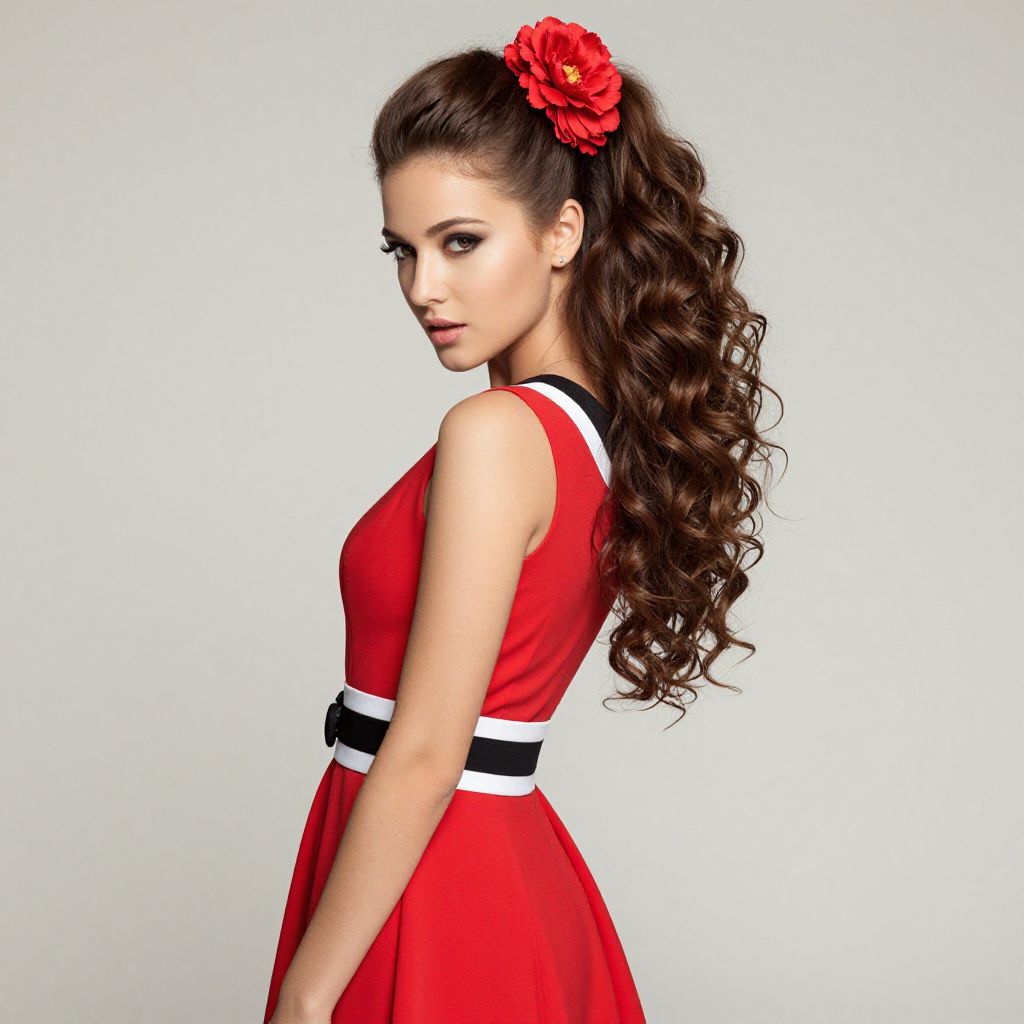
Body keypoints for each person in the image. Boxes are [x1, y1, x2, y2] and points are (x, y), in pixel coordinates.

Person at [263, 15, 782, 1024]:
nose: (423, 287)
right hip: (475, 864)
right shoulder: (593, 437)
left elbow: (423, 752)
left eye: (459, 242)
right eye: (402, 250)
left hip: (432, 877)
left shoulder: (498, 434)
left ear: (562, 231)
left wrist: (305, 993)